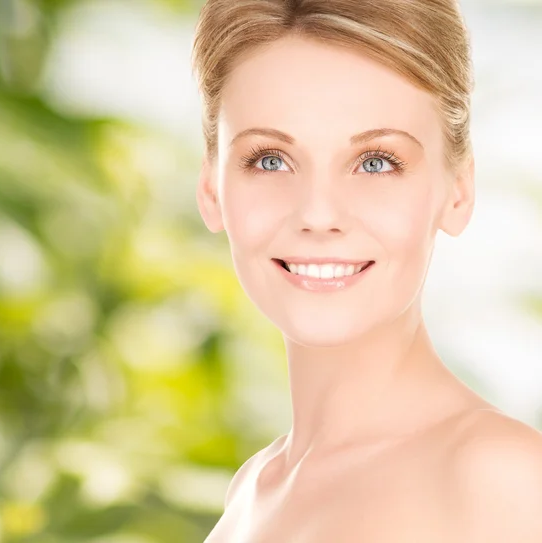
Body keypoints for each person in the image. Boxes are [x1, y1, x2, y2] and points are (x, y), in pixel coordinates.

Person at [191, 0, 542, 541]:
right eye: (269, 159)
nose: (318, 214)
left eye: (376, 161)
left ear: (458, 191)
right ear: (212, 190)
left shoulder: (502, 479)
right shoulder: (251, 492)